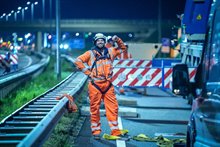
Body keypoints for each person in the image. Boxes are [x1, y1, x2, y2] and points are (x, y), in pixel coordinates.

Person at [74, 33, 127, 139]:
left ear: (105, 41)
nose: (100, 42)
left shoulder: (111, 51)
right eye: (98, 40)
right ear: (95, 42)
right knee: (94, 109)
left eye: (102, 40)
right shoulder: (90, 53)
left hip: (108, 85)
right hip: (95, 86)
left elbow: (123, 48)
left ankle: (115, 131)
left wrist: (117, 39)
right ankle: (96, 132)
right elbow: (77, 61)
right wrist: (88, 73)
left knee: (113, 108)